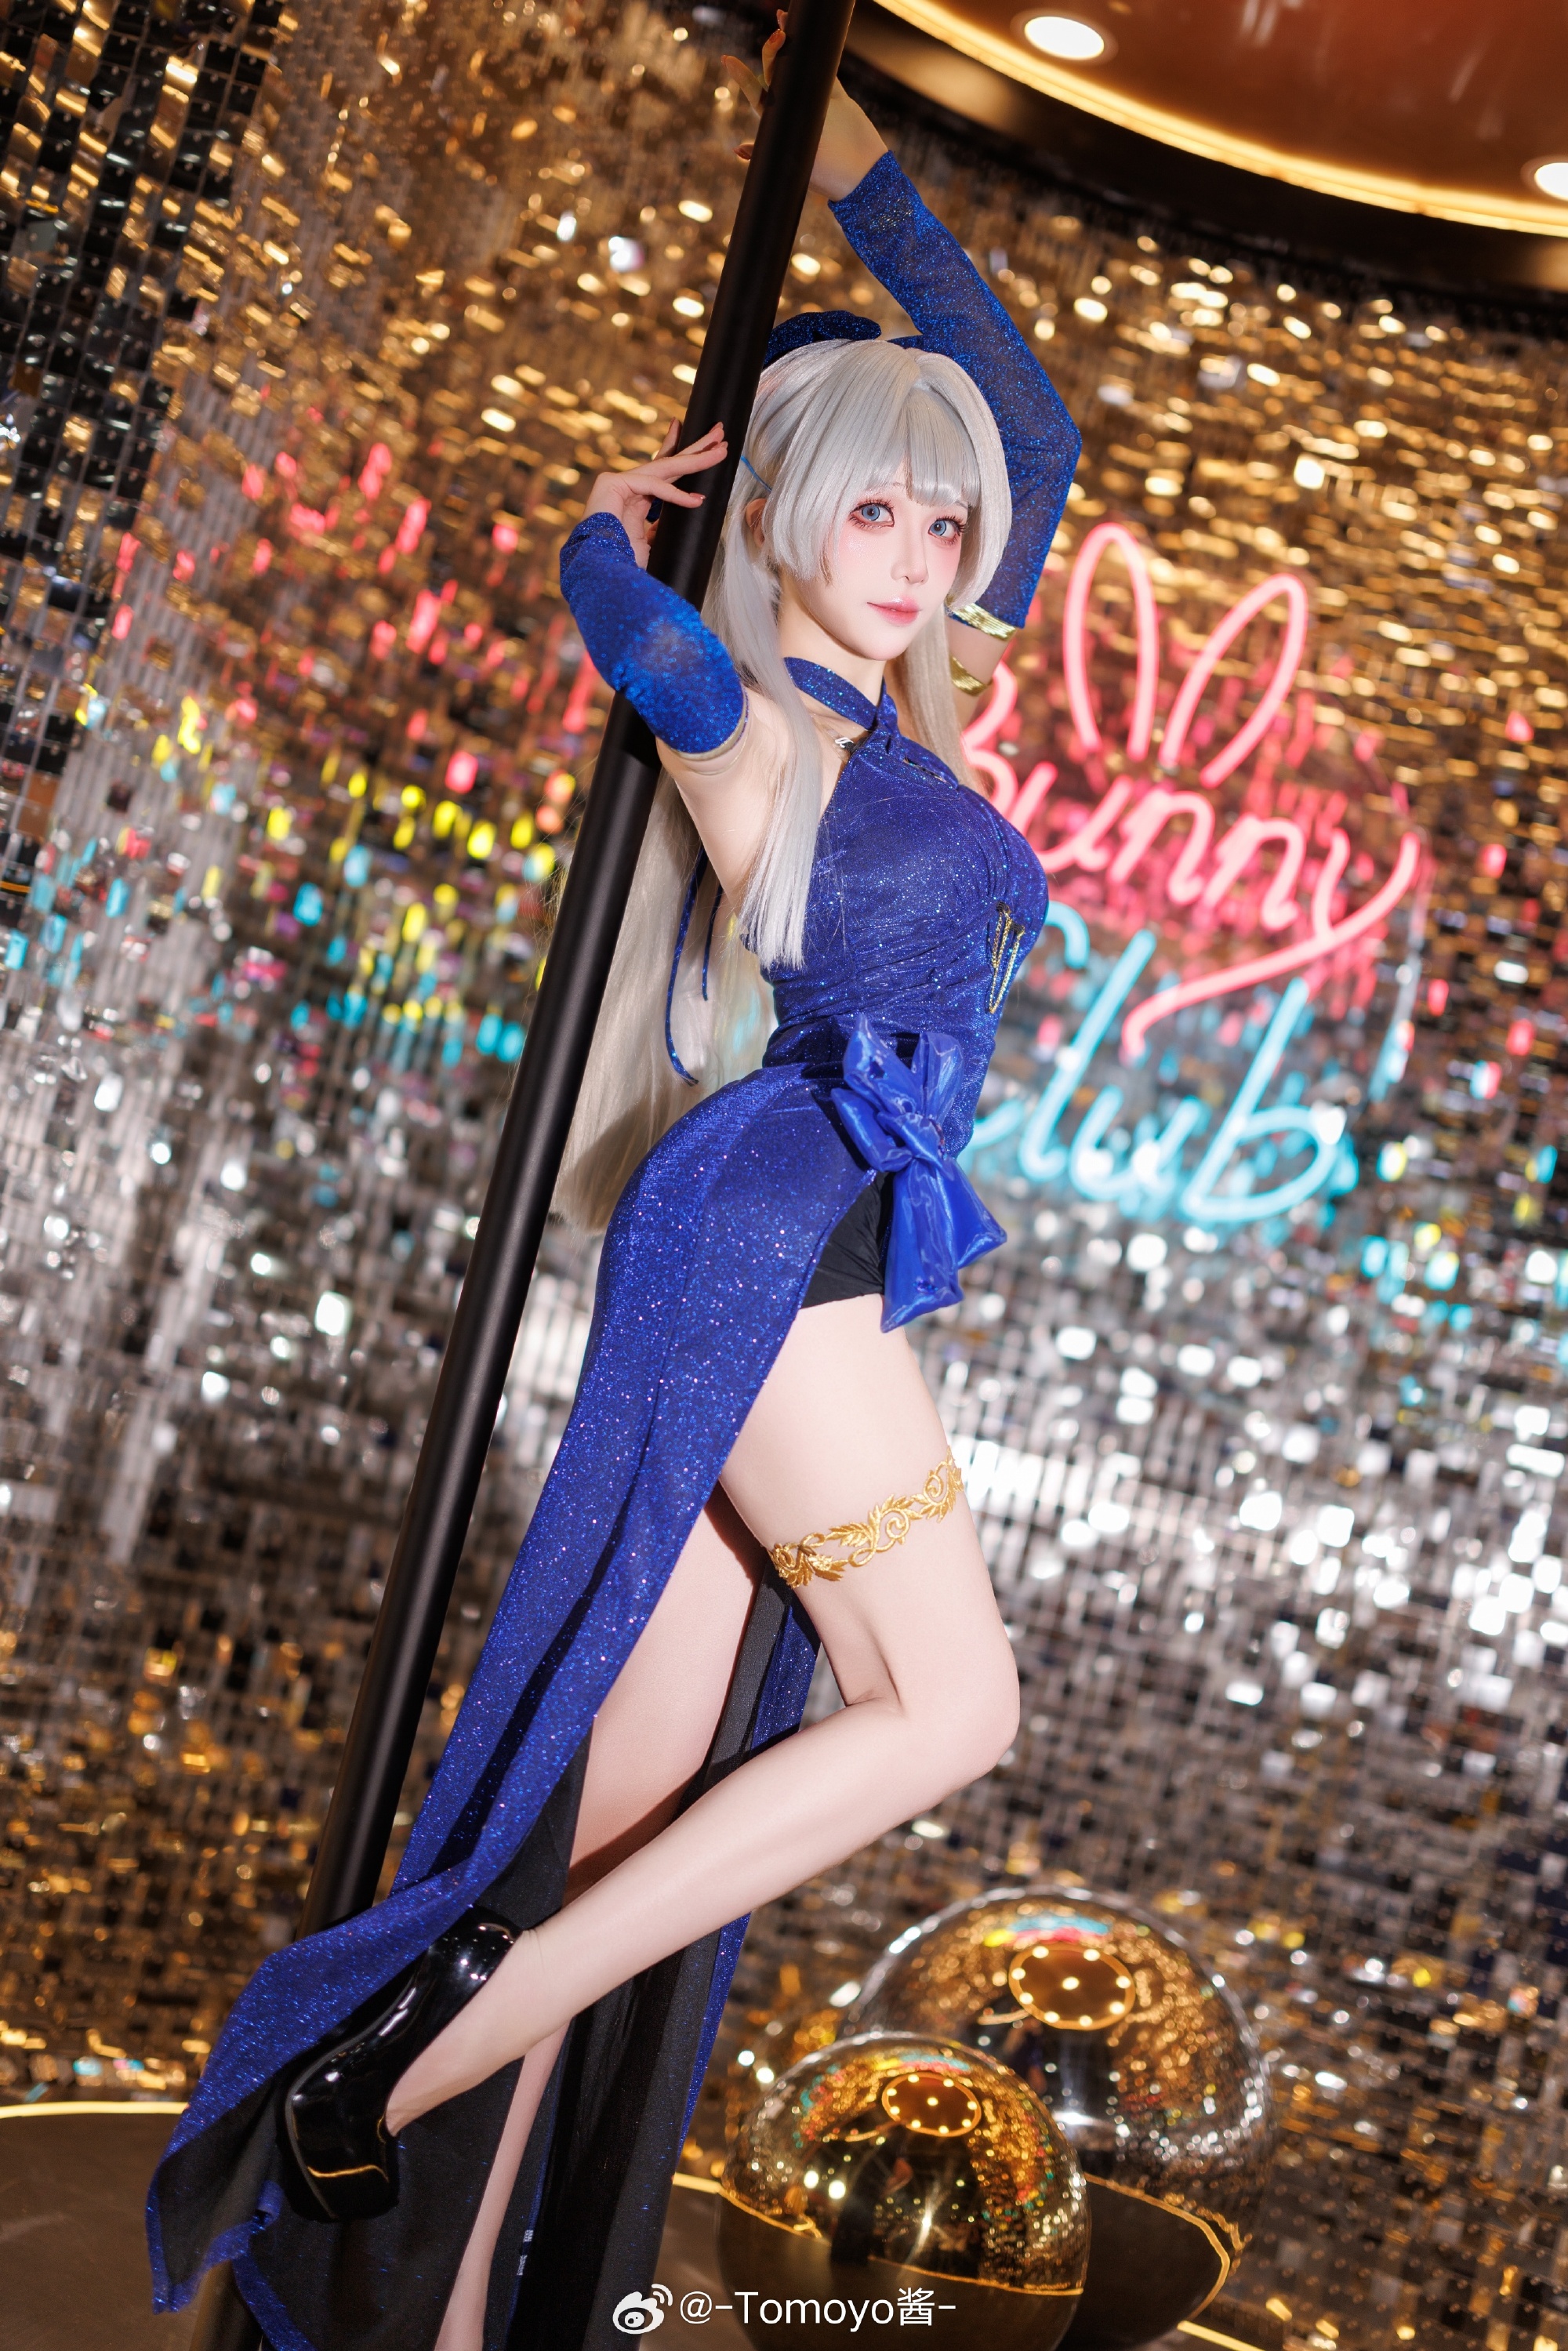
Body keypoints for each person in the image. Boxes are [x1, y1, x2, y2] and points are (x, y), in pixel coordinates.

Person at [147, 33, 1079, 2351]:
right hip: (778, 1219)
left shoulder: (910, 706)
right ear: (774, 520)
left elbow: (1022, 426)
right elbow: (635, 628)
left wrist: (854, 167)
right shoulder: (758, 723)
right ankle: (387, 2062)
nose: (922, 559)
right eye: (871, 515)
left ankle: (449, 2305)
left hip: (802, 1219)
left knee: (630, 1814)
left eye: (939, 527)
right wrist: (600, 517)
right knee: (950, 1706)